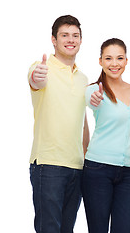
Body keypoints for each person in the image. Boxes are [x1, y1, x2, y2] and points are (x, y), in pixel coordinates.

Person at [28, 15, 89, 233]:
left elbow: (82, 122)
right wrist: (38, 76)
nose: (70, 40)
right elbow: (36, 80)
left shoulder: (83, 78)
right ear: (54, 40)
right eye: (65, 35)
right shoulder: (41, 67)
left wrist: (87, 157)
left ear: (81, 41)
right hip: (48, 165)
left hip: (76, 167)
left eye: (75, 36)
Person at [82, 38, 130, 233]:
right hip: (98, 169)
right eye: (108, 58)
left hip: (129, 173)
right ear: (100, 61)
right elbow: (82, 110)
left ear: (126, 61)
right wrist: (94, 99)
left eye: (119, 58)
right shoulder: (93, 91)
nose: (114, 63)